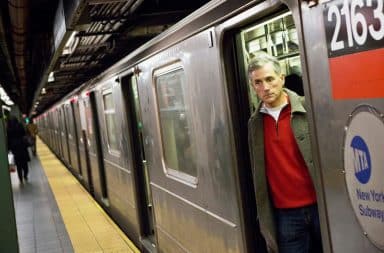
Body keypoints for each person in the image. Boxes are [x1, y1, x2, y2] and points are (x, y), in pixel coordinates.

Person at [247, 52, 322, 253]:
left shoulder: (308, 108)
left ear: (281, 78)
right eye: (258, 82)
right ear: (253, 87)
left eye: (270, 79)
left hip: (321, 207)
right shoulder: (255, 124)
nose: (265, 87)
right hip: (286, 215)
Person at [7, 116, 30, 183]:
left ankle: (20, 179)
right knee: (25, 164)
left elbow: (8, 140)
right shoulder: (20, 126)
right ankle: (25, 175)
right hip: (22, 148)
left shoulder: (9, 129)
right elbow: (24, 134)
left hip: (15, 150)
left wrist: (9, 149)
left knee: (18, 165)